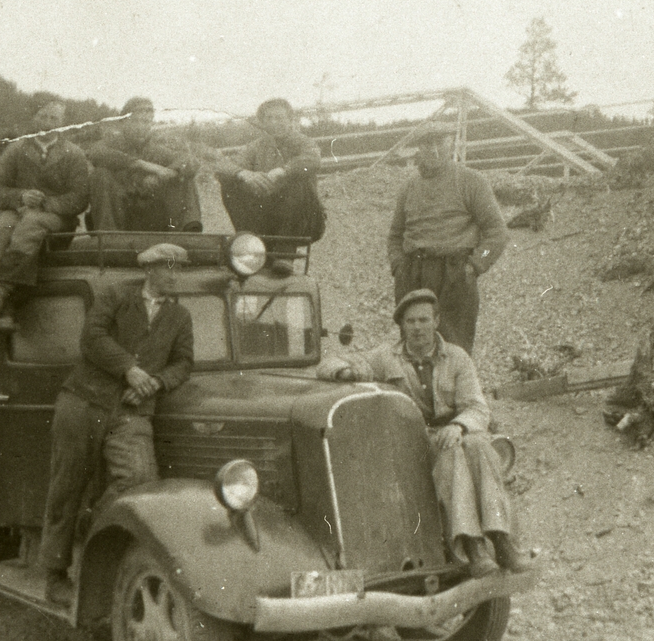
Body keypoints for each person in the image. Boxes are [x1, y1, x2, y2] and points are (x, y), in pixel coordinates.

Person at [317, 289, 530, 578]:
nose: (417, 328)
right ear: (402, 326)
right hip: (414, 441)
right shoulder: (385, 357)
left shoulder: (457, 358)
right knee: (453, 452)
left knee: (480, 445)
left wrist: (458, 426)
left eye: (424, 320)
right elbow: (329, 362)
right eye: (410, 322)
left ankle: (502, 540)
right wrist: (344, 374)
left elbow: (477, 408)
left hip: (456, 432)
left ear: (437, 321)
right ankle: (473, 546)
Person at [39, 243, 195, 606]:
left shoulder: (180, 316)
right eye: (169, 268)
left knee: (140, 482)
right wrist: (130, 368)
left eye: (180, 269)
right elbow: (91, 339)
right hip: (83, 403)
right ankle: (55, 576)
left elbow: (184, 363)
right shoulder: (115, 296)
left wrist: (156, 383)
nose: (176, 275)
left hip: (132, 411)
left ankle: (91, 528)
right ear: (150, 270)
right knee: (66, 487)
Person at [386, 124, 509, 354]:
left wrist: (474, 266)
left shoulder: (471, 182)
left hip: (454, 276)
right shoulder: (408, 188)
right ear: (418, 150)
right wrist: (399, 266)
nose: (433, 150)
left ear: (450, 144)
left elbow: (497, 232)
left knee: (454, 352)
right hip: (413, 275)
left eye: (439, 143)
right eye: (426, 144)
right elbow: (395, 236)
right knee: (414, 350)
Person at [0, 101, 90, 326]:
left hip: (57, 220)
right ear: (34, 119)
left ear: (62, 124)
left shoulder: (74, 154)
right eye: (43, 117)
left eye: (54, 119)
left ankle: (3, 291)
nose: (48, 124)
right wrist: (21, 197)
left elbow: (80, 198)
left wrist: (47, 203)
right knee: (0, 228)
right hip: (18, 212)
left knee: (31, 223)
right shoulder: (16, 149)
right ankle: (4, 310)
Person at [212, 98, 325, 243]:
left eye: (279, 118)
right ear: (262, 123)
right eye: (269, 118)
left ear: (290, 120)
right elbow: (224, 167)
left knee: (297, 181)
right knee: (230, 184)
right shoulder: (255, 147)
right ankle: (251, 243)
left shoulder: (303, 142)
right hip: (265, 217)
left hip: (303, 221)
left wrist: (283, 171)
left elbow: (313, 159)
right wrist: (244, 174)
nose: (274, 123)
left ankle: (285, 252)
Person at [86, 97, 203, 232]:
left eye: (146, 122)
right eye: (136, 121)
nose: (141, 127)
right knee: (100, 175)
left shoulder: (157, 150)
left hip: (150, 219)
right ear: (123, 122)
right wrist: (141, 164)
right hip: (117, 219)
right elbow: (95, 153)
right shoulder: (110, 144)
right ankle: (109, 238)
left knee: (183, 176)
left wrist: (162, 175)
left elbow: (190, 161)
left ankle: (190, 232)